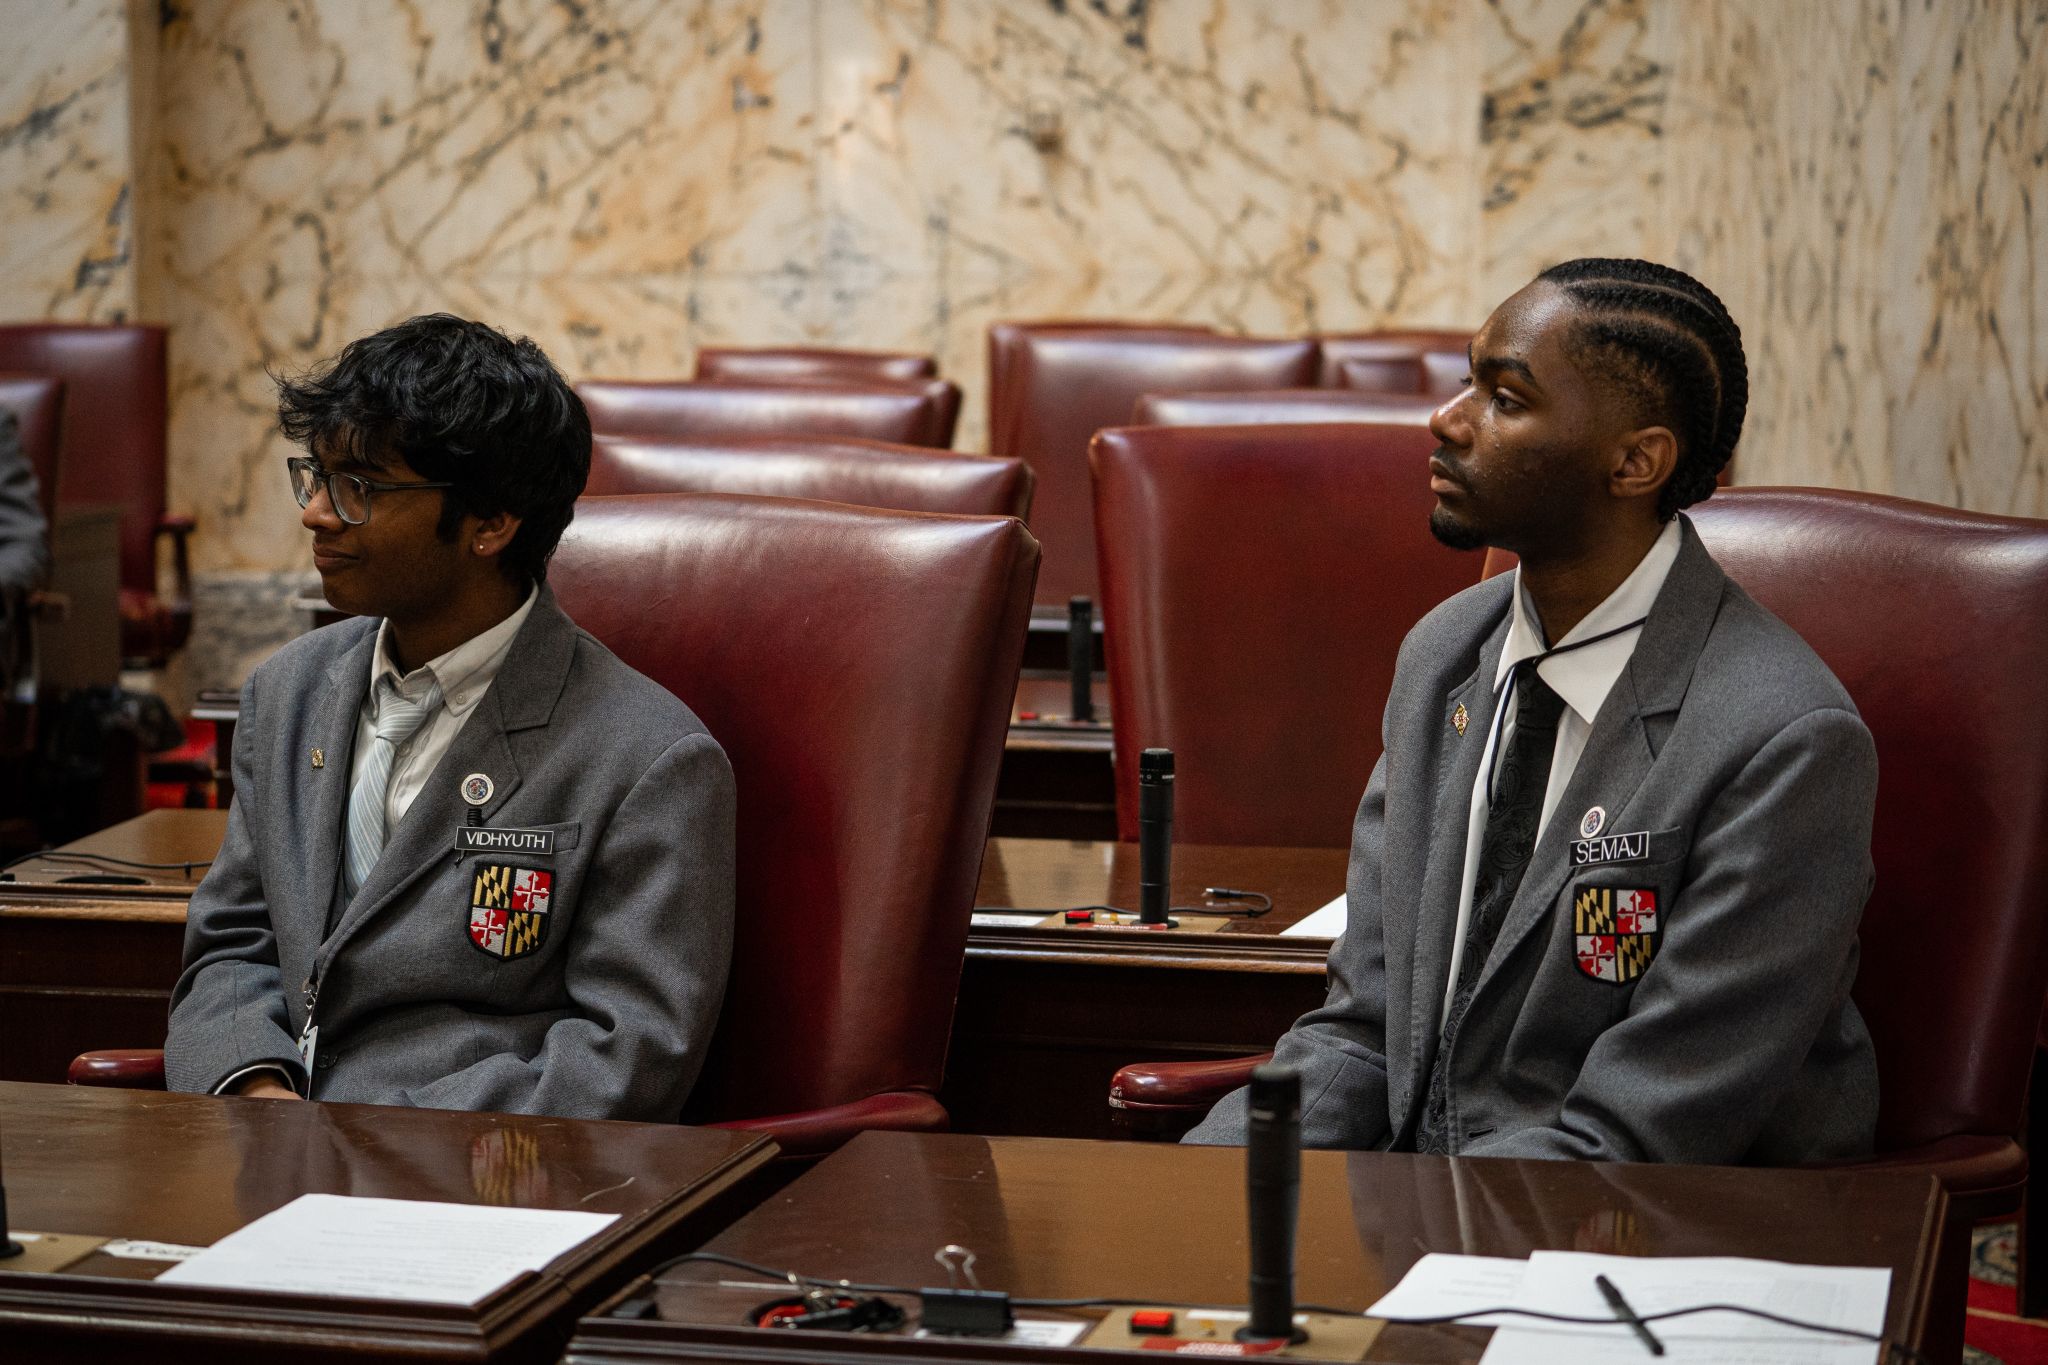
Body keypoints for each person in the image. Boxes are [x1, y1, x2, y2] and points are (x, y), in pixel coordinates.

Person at [1187, 258, 1879, 1162]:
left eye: (1504, 398)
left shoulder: (1785, 740)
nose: (1447, 419)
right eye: (1466, 382)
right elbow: (1362, 1032)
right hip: (1450, 1219)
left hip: (1656, 1240)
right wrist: (1202, 1194)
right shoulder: (1445, 655)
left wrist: (1410, 1244)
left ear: (1635, 462)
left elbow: (1644, 1131)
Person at [164, 314, 735, 1121]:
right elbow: (233, 945)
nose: (317, 513)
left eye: (359, 486)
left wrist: (364, 1145)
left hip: (473, 1183)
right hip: (266, 1153)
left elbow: (628, 1051)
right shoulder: (286, 694)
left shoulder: (647, 757)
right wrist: (259, 1094)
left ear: (491, 524)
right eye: (316, 476)